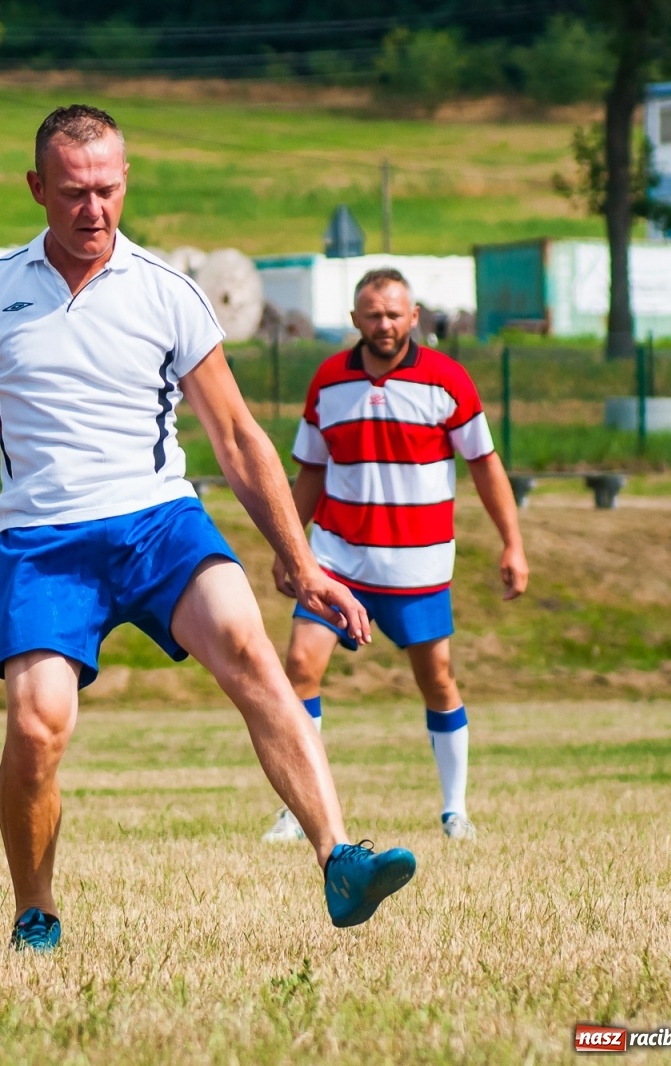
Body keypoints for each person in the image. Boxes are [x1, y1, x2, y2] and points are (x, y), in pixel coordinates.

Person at [0, 104, 415, 953]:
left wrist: (300, 562)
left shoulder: (168, 292)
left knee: (249, 647)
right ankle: (35, 910)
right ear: (38, 188)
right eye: (74, 191)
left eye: (107, 189)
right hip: (44, 542)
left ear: (125, 182)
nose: (93, 209)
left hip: (158, 523)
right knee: (37, 725)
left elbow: (237, 437)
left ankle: (339, 859)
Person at [262, 269, 528, 845]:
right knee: (300, 667)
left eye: (393, 314)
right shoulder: (329, 382)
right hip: (337, 560)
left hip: (418, 565)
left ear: (413, 317)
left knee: (437, 680)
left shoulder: (448, 380)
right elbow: (310, 473)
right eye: (372, 314)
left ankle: (455, 810)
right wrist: (291, 548)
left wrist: (512, 542)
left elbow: (485, 465)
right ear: (355, 319)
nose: (383, 324)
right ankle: (297, 810)